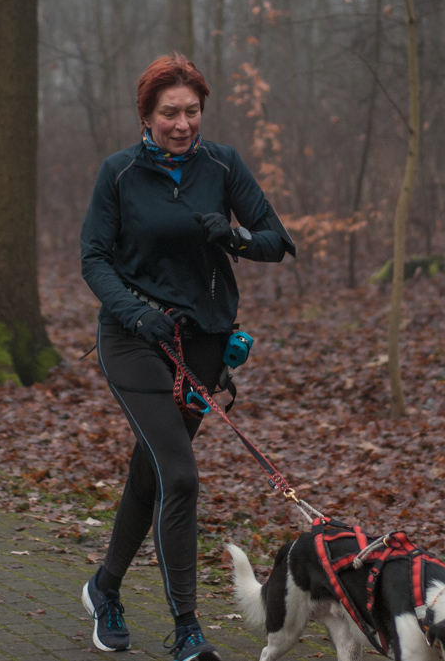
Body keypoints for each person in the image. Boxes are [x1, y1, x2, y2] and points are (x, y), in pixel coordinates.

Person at [79, 53, 295, 660]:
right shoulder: (119, 174)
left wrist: (236, 239)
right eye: (169, 112)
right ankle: (188, 630)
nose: (182, 123)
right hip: (133, 339)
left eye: (191, 111)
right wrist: (134, 311)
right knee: (179, 474)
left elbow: (278, 240)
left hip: (200, 345)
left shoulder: (222, 164)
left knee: (151, 471)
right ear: (146, 116)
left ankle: (105, 589)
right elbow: (93, 256)